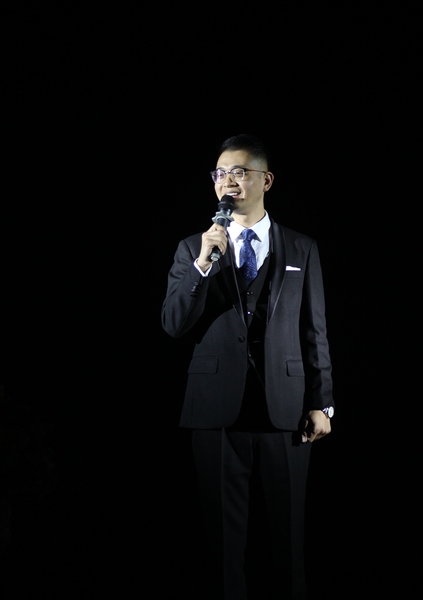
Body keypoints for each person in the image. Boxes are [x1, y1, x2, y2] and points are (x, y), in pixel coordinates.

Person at [161, 134, 335, 599]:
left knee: (288, 544)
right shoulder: (192, 249)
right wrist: (202, 266)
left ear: (266, 180)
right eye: (220, 174)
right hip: (215, 412)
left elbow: (314, 330)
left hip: (287, 411)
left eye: (239, 171)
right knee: (222, 548)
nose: (228, 181)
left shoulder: (301, 248)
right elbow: (173, 324)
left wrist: (323, 403)